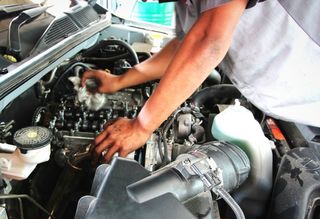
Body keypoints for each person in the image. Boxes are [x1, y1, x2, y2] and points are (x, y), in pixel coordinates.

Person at [82, 0, 320, 163]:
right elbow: (184, 46)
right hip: (292, 104)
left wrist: (142, 126)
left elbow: (208, 39)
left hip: (309, 103)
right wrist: (119, 81)